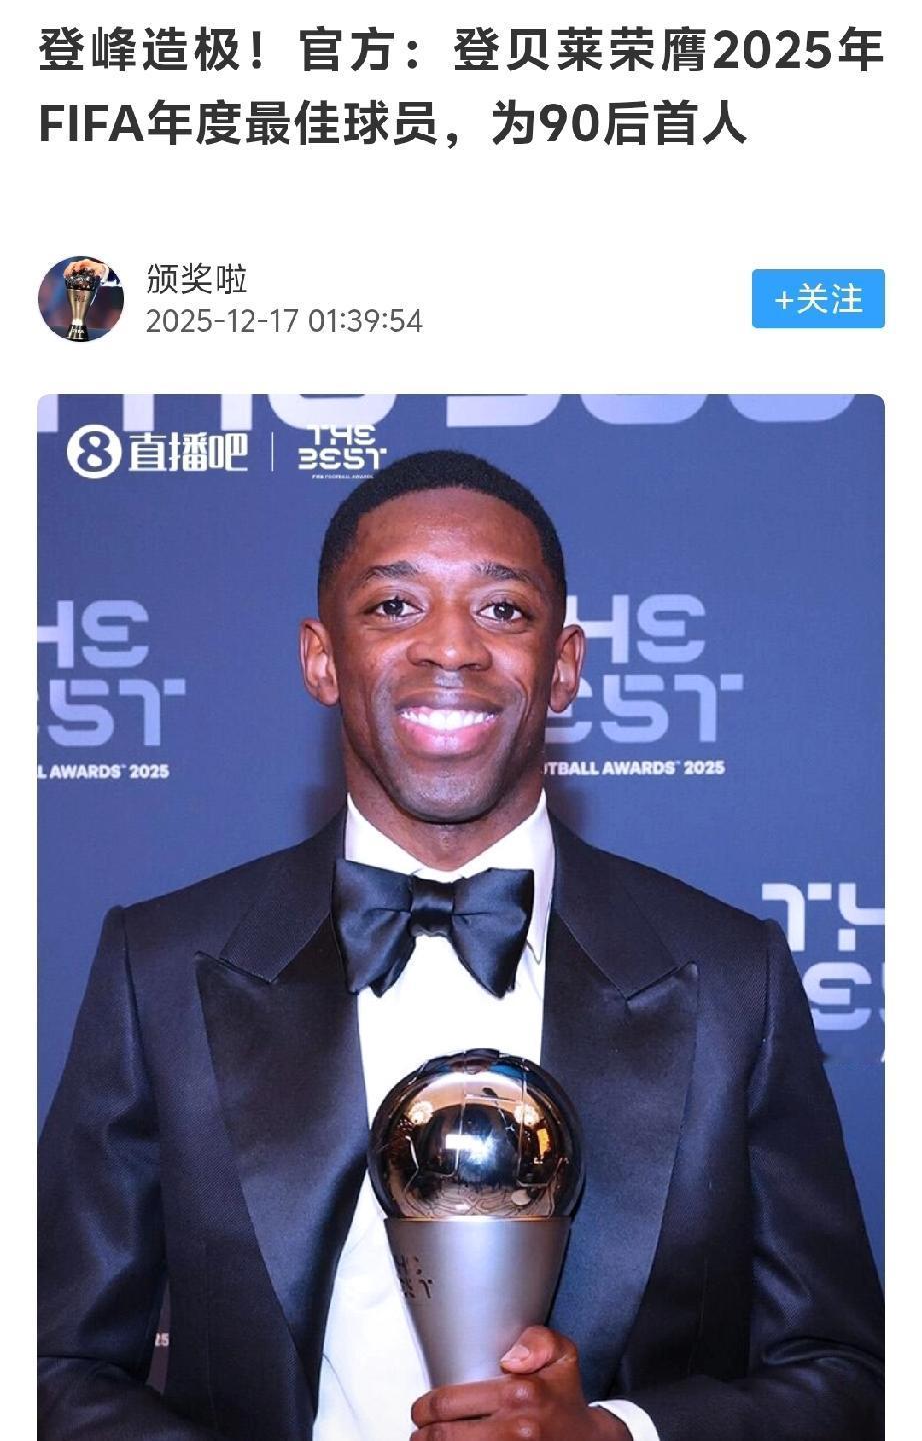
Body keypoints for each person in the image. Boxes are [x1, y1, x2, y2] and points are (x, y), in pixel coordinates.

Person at [38, 450, 884, 1441]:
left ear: (564, 666)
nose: (451, 647)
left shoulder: (733, 979)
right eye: (394, 605)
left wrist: (615, 1433)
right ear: (321, 657)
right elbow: (54, 1368)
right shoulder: (161, 967)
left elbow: (845, 1375)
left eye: (502, 609)